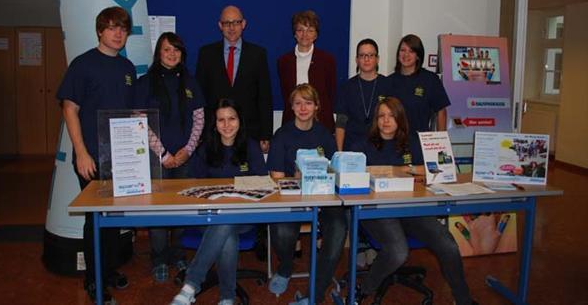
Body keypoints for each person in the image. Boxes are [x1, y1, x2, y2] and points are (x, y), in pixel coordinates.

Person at [351, 97, 476, 305]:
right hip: (376, 211)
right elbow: (352, 174)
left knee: (448, 245)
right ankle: (364, 289)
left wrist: (405, 170)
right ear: (376, 120)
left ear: (400, 118)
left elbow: (441, 169)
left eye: (391, 116)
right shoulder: (362, 145)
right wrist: (405, 171)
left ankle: (464, 300)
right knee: (398, 251)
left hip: (411, 209)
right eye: (381, 116)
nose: (386, 121)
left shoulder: (414, 142)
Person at [57, 6, 135, 304]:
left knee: (114, 217)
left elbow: (129, 113)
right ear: (100, 30)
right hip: (91, 157)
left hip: (122, 158)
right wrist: (81, 153)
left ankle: (109, 269)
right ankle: (94, 279)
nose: (118, 34)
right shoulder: (83, 64)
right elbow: (69, 109)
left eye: (123, 29)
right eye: (112, 27)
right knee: (96, 219)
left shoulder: (127, 68)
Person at [170, 99, 266, 305]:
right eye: (221, 120)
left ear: (240, 120)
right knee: (226, 232)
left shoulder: (251, 146)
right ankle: (227, 298)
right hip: (209, 216)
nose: (227, 124)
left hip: (244, 216)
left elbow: (264, 183)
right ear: (214, 124)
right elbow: (194, 186)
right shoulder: (205, 148)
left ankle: (190, 286)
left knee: (226, 223)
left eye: (232, 118)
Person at [134, 32, 205, 283]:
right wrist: (163, 154)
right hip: (157, 159)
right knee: (158, 210)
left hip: (186, 157)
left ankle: (177, 254)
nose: (172, 54)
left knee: (181, 208)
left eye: (176, 50)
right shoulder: (145, 83)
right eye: (166, 49)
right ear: (158, 53)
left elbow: (199, 118)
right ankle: (159, 258)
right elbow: (139, 120)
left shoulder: (190, 81)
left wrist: (188, 150)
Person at [266, 84, 347, 305]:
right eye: (298, 103)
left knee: (339, 227)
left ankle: (315, 293)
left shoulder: (324, 135)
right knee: (282, 230)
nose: (303, 108)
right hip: (292, 197)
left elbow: (334, 171)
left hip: (323, 199)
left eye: (308, 103)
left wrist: (320, 175)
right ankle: (285, 267)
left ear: (316, 106)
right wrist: (297, 178)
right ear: (291, 107)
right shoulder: (282, 135)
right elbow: (276, 177)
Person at [196, 5, 273, 154]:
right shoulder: (206, 54)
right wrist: (200, 132)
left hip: (249, 131)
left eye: (236, 22)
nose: (231, 28)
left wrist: (266, 134)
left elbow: (264, 97)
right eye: (227, 23)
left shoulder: (258, 54)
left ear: (243, 24)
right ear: (220, 26)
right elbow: (200, 97)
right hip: (215, 132)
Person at [277, 10, 337, 131]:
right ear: (295, 34)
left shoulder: (327, 60)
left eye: (310, 30)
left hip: (321, 123)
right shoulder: (284, 61)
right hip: (292, 122)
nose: (305, 35)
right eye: (300, 30)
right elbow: (286, 94)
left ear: (316, 35)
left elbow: (331, 93)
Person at [335, 38, 392, 151]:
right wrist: (339, 152)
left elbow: (394, 120)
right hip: (352, 147)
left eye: (370, 55)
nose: (366, 59)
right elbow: (340, 122)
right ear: (357, 60)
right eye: (362, 55)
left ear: (377, 59)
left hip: (380, 148)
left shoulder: (388, 85)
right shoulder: (346, 87)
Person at [387, 34, 450, 132]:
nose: (406, 55)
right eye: (403, 50)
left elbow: (441, 112)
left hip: (420, 138)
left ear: (418, 56)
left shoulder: (430, 80)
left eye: (411, 51)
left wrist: (441, 139)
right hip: (394, 138)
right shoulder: (388, 81)